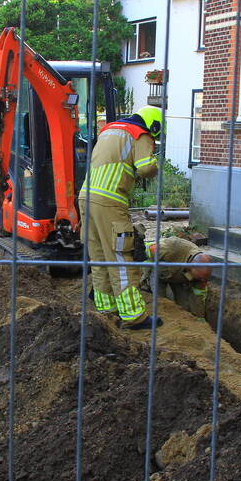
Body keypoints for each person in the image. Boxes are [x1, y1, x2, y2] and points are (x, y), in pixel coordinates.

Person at [78, 105, 162, 330]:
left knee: (98, 256)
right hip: (110, 201)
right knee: (120, 257)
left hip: (86, 197)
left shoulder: (109, 130)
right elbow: (145, 168)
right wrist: (154, 163)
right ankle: (134, 316)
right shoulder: (139, 134)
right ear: (153, 125)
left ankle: (106, 309)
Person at [141, 237, 213, 321]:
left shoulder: (202, 275)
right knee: (161, 302)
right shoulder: (172, 248)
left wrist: (200, 318)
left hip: (178, 277)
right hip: (159, 274)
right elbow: (146, 252)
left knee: (184, 307)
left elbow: (198, 297)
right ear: (191, 268)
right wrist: (145, 277)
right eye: (200, 277)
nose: (202, 280)